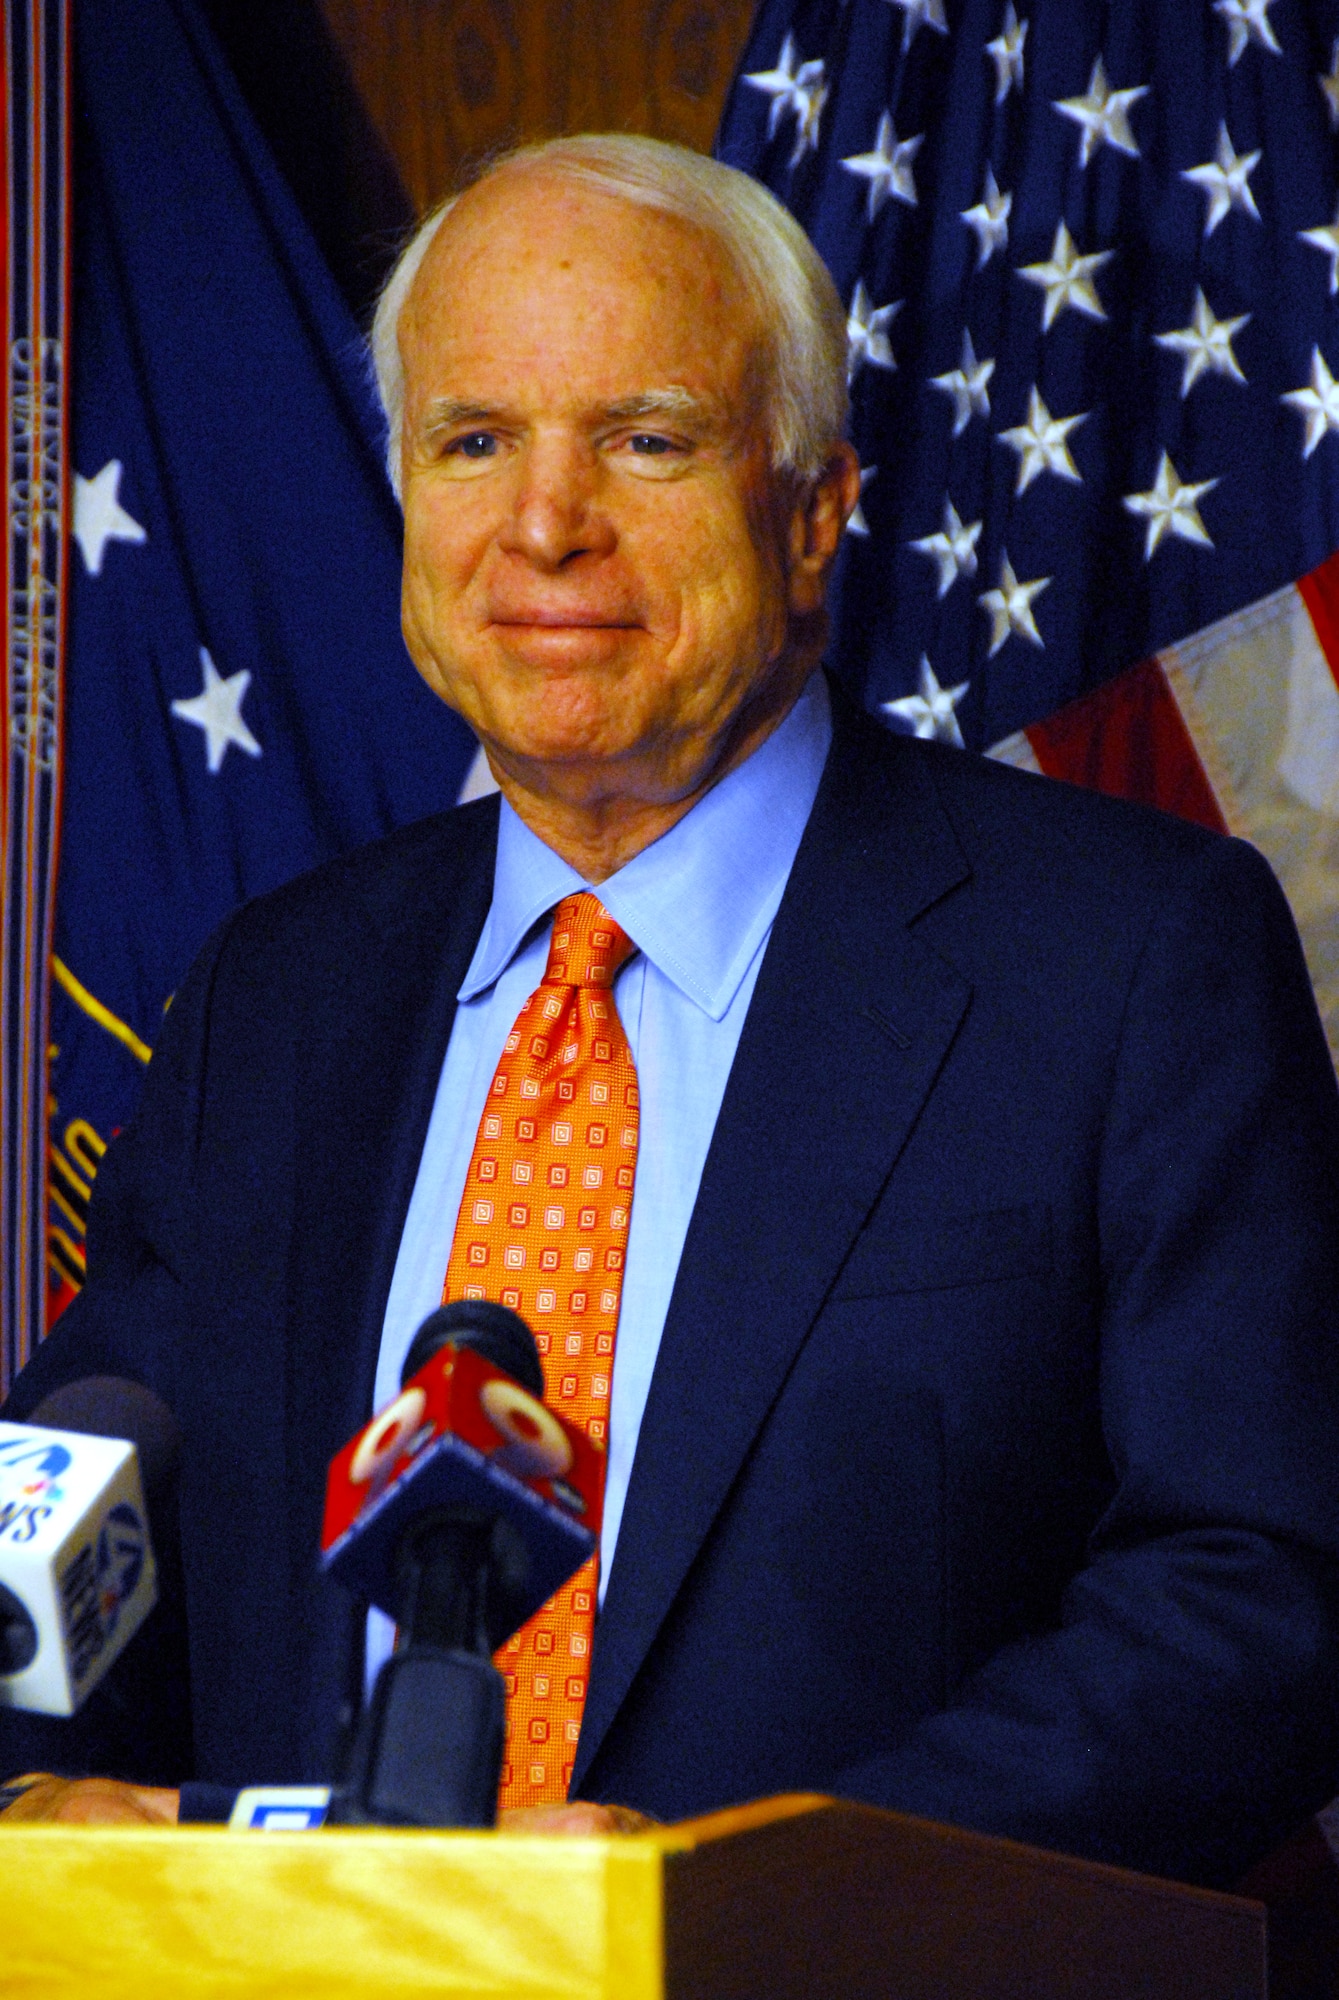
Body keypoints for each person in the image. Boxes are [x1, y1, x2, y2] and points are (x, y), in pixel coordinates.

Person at [3, 135, 1339, 1884]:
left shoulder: (1128, 957)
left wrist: (747, 1897)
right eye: (473, 443)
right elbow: (86, 1536)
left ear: (812, 513)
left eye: (646, 441)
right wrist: (44, 1794)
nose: (545, 525)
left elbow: (1259, 1589)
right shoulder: (273, 999)